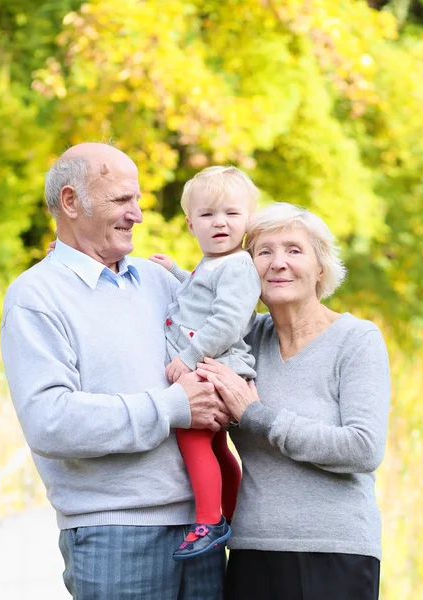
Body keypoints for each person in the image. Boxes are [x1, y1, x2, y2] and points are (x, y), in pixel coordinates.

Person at [0, 142, 231, 600]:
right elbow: (51, 422)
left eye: (138, 200)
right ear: (71, 202)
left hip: (201, 528)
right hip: (114, 534)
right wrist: (172, 407)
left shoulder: (160, 279)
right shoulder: (36, 297)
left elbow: (235, 328)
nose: (138, 215)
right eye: (122, 200)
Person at [196, 202, 391, 600]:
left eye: (294, 250)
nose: (277, 263)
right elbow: (184, 310)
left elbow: (363, 448)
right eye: (263, 252)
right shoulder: (242, 342)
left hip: (334, 551)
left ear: (321, 268)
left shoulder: (356, 340)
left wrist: (257, 417)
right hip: (251, 549)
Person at [148, 167, 261, 561]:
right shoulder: (213, 264)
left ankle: (208, 521)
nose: (220, 223)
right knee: (217, 446)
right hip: (216, 365)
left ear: (248, 220)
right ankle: (228, 514)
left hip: (214, 367)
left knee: (192, 436)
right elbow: (199, 299)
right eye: (208, 215)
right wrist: (176, 272)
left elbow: (227, 321)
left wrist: (188, 357)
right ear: (190, 223)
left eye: (232, 213)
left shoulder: (239, 265)